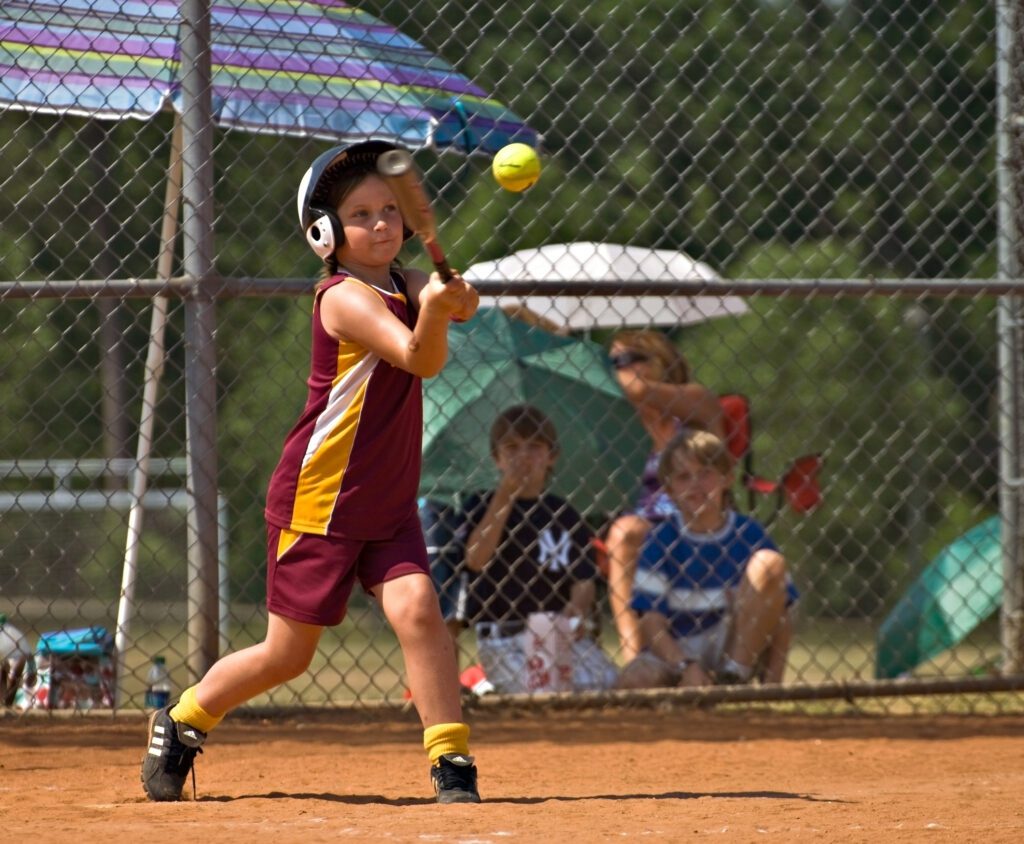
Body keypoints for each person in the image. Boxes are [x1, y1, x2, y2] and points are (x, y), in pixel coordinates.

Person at [141, 139, 481, 804]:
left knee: (420, 611)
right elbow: (421, 357)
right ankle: (182, 720)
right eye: (360, 214)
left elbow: (455, 304)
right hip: (320, 500)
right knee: (288, 656)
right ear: (325, 232)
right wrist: (441, 310)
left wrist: (457, 295)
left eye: (389, 210)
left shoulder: (408, 281)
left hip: (387, 501)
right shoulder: (343, 298)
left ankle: (452, 762)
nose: (381, 224)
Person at [455, 405, 617, 694]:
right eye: (512, 448)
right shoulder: (481, 505)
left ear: (552, 456)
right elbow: (475, 559)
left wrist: (576, 608)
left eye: (534, 447)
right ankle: (484, 682)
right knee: (544, 695)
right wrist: (505, 496)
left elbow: (583, 578)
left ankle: (490, 685)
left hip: (557, 634)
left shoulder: (563, 513)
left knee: (612, 685)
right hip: (504, 637)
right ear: (496, 459)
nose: (523, 457)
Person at [616, 428, 796, 689]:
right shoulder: (661, 539)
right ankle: (686, 693)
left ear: (727, 479)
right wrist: (684, 665)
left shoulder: (749, 533)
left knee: (769, 564)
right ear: (669, 490)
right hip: (678, 650)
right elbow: (651, 623)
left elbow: (783, 612)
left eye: (705, 474)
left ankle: (733, 678)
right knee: (636, 679)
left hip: (734, 645)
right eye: (683, 477)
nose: (695, 485)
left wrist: (773, 684)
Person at [604, 330, 725, 663]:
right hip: (645, 533)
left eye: (626, 359)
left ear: (661, 362)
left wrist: (595, 371)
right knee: (626, 532)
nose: (617, 370)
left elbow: (640, 389)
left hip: (696, 524)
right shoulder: (618, 427)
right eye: (611, 363)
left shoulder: (696, 406)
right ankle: (635, 659)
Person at [1, 612, 34, 707]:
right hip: (16, 667)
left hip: (24, 671)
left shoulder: (8, 635)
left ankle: (7, 704)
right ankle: (6, 704)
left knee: (12, 673)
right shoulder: (12, 633)